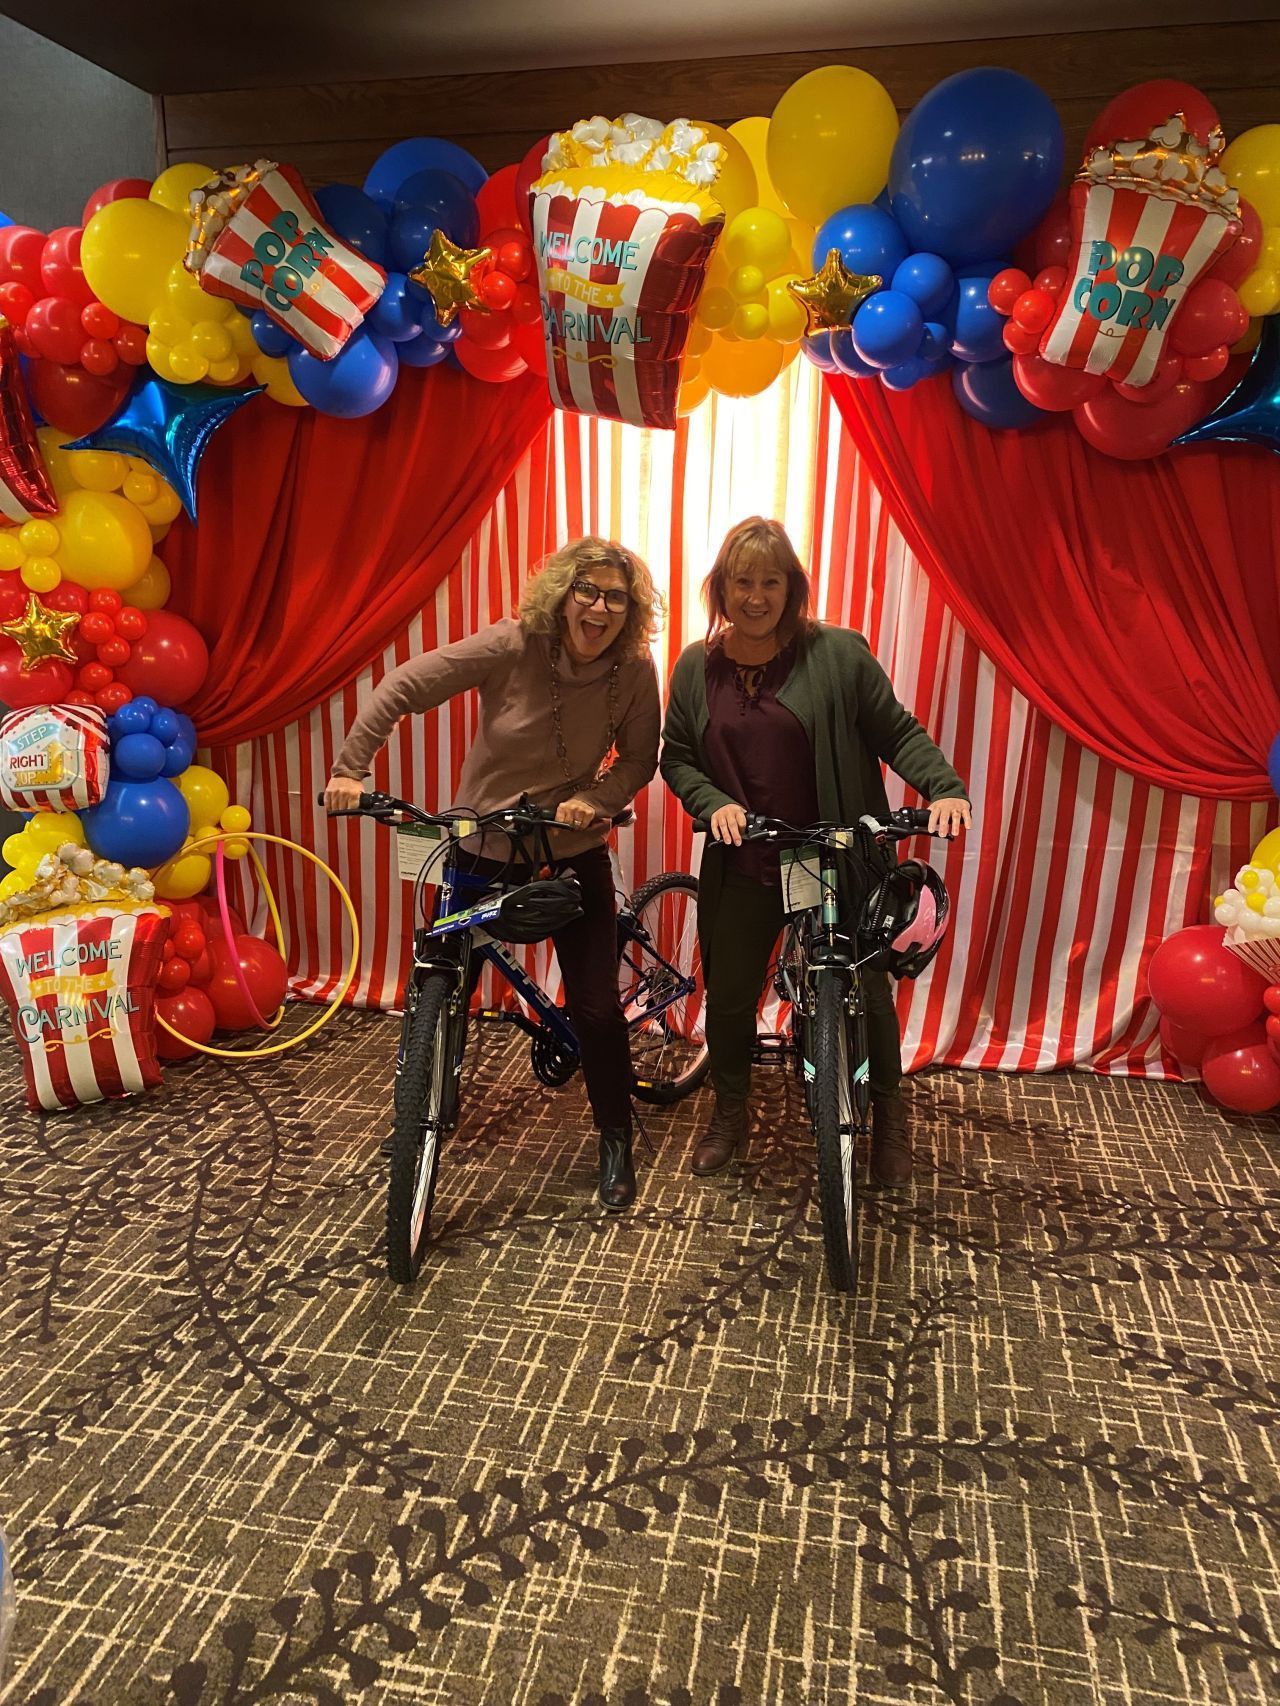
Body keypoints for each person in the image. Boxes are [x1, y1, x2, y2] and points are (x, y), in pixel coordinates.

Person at [325, 537, 663, 1212]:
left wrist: (593, 801)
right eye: (586, 591)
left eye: (615, 597)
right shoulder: (513, 644)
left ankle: (616, 1136)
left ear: (631, 611)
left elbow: (639, 760)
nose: (598, 607)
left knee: (595, 1007)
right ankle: (424, 1114)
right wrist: (350, 769)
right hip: (483, 845)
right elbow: (404, 686)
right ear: (563, 594)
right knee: (448, 987)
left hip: (570, 848)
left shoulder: (634, 670)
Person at [660, 517, 970, 1187]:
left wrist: (944, 788)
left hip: (829, 857)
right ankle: (731, 1113)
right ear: (721, 588)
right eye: (743, 581)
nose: (755, 596)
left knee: (865, 988)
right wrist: (714, 805)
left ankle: (889, 1116)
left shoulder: (837, 654)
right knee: (733, 997)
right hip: (748, 860)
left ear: (791, 588)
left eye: (771, 581)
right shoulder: (695, 666)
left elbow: (897, 731)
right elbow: (678, 757)